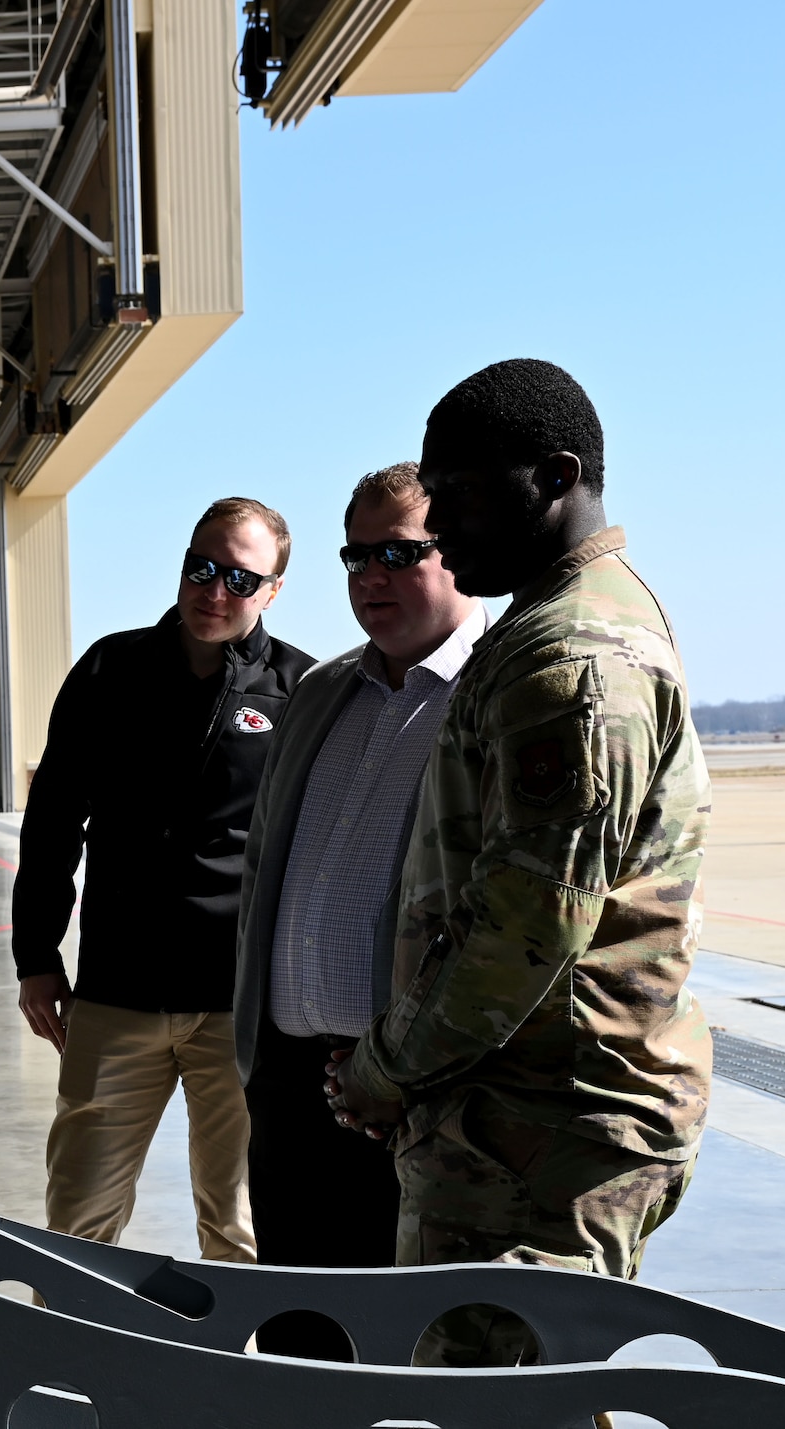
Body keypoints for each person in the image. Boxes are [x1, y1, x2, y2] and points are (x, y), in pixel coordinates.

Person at [325, 359, 713, 1366]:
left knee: (494, 1401)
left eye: (454, 490)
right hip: (513, 1115)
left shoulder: (567, 664)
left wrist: (384, 1068)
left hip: (540, 1131)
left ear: (552, 476)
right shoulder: (557, 626)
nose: (437, 520)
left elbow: (524, 932)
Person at [12, 498, 313, 1262]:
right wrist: (36, 954)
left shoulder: (302, 692)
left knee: (242, 1227)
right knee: (78, 1216)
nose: (214, 591)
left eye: (240, 578)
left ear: (274, 590)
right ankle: (75, 1374)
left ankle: (240, 1375)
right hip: (118, 994)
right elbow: (52, 821)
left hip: (238, 1008)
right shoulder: (110, 671)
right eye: (201, 569)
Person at [231, 462, 485, 1352]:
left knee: (414, 1351)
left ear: (456, 549)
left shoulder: (491, 693)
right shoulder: (320, 694)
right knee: (301, 1340)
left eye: (397, 553)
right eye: (356, 556)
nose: (370, 576)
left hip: (411, 1094)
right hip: (290, 1086)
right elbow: (267, 865)